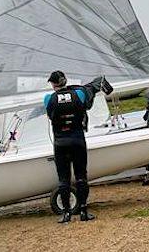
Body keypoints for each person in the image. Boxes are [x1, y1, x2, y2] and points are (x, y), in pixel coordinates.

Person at [44, 70, 112, 223]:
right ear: (65, 81)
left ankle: (67, 213)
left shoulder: (48, 98)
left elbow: (50, 115)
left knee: (64, 179)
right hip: (77, 140)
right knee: (81, 177)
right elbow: (86, 102)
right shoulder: (79, 94)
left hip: (61, 142)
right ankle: (83, 211)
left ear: (53, 84)